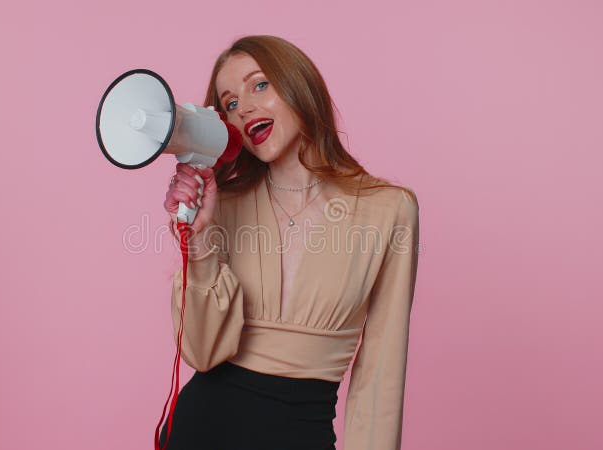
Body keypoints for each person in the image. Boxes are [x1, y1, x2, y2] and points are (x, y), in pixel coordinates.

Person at [161, 35, 420, 450]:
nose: (243, 109)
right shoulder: (221, 207)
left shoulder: (389, 210)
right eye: (229, 103)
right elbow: (202, 352)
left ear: (300, 85)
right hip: (198, 433)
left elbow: (380, 377)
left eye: (259, 85)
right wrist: (201, 237)